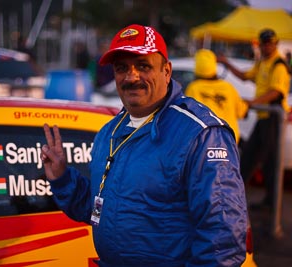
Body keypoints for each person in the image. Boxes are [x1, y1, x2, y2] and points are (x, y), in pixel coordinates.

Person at [41, 24, 247, 266]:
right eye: (121, 68)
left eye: (143, 66)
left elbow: (223, 239)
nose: (131, 77)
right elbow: (99, 211)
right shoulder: (109, 133)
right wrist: (63, 179)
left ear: (167, 71)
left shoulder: (200, 134)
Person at [217, 29, 291, 209]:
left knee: (263, 160)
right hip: (264, 117)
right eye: (264, 43)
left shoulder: (278, 65)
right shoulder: (263, 62)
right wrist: (227, 63)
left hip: (273, 119)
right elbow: (244, 76)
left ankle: (264, 204)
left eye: (270, 43)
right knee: (257, 158)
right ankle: (244, 198)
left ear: (276, 44)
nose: (267, 46)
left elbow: (276, 92)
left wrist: (252, 102)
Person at [185, 49, 249, 144]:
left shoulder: (194, 88)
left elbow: (187, 116)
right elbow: (242, 112)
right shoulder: (228, 87)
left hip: (205, 142)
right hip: (229, 141)